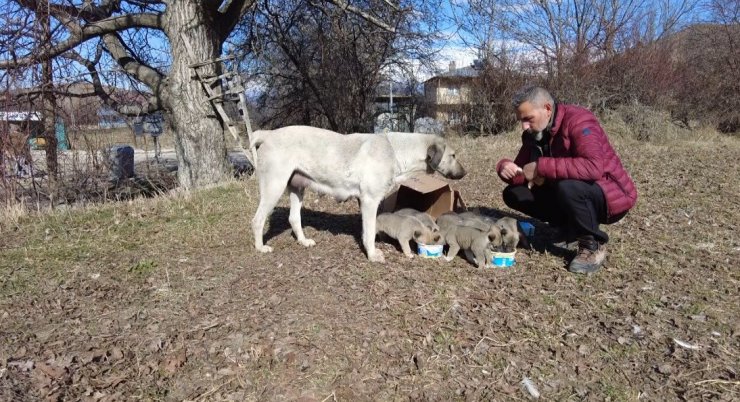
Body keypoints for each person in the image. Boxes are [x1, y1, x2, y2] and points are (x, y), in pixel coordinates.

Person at [496, 86, 637, 273]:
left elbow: (593, 167)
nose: (524, 126)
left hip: (610, 195)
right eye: (521, 120)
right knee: (514, 194)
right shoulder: (533, 135)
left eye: (528, 119)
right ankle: (568, 229)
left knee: (568, 186)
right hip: (571, 192)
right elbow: (523, 174)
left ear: (547, 108)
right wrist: (505, 167)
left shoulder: (579, 121)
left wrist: (541, 166)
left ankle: (592, 245)